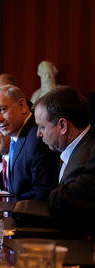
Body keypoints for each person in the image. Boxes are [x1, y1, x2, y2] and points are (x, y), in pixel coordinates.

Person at [34, 86, 94, 228]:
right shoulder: (70, 149)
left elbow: (65, 202)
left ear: (63, 125)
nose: (38, 134)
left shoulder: (90, 155)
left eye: (42, 127)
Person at [0, 85, 59, 200]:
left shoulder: (37, 139)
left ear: (22, 105)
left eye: (2, 109)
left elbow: (43, 194)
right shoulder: (17, 137)